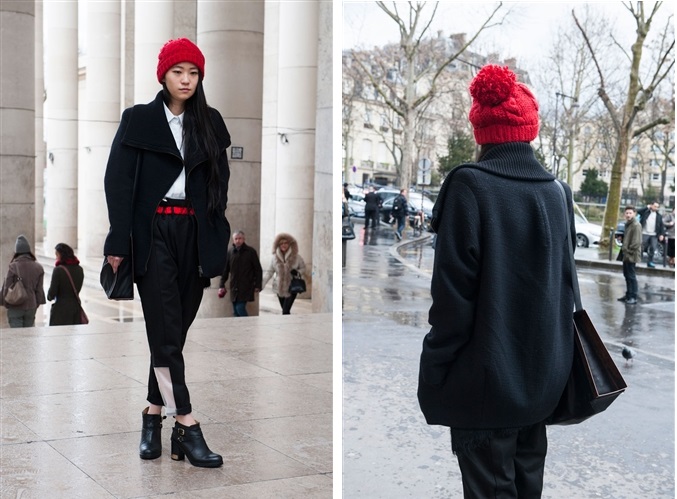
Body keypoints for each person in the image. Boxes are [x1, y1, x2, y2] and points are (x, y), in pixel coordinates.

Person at [417, 64, 575, 498]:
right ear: (530, 129)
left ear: (481, 130)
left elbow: (452, 301)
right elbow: (564, 290)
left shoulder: (470, 186)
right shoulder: (556, 191)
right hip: (542, 382)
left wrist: (434, 369)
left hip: (486, 383)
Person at [103, 38, 231, 468]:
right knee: (165, 328)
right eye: (178, 71)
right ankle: (188, 425)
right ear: (163, 75)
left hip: (194, 235)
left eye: (193, 73)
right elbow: (118, 183)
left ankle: (151, 415)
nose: (186, 80)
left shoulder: (209, 123)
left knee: (171, 335)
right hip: (153, 231)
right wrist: (118, 241)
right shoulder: (139, 119)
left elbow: (219, 187)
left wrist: (216, 233)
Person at [1, 235, 46, 328]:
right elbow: (39, 289)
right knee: (28, 336)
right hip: (31, 306)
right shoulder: (38, 267)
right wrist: (36, 303)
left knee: (17, 336)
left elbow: (7, 286)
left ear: (16, 251)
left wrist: (6, 303)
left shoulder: (13, 266)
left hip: (15, 306)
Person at [217, 230, 263, 317]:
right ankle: (238, 329)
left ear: (244, 239)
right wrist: (221, 284)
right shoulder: (230, 252)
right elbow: (225, 270)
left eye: (240, 238)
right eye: (236, 239)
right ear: (233, 240)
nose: (238, 240)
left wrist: (258, 285)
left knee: (240, 308)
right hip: (234, 285)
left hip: (246, 286)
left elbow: (258, 269)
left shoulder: (250, 252)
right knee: (235, 311)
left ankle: (248, 325)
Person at [261, 233, 306, 315]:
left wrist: (298, 272)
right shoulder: (274, 258)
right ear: (278, 245)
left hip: (291, 287)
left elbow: (303, 268)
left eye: (286, 243)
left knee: (285, 311)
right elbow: (269, 272)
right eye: (281, 243)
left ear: (290, 244)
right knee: (285, 311)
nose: (283, 245)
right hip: (279, 288)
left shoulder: (297, 257)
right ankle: (288, 325)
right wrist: (262, 284)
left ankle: (286, 326)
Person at [47, 243, 85, 325]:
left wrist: (49, 297)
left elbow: (52, 293)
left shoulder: (58, 270)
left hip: (61, 310)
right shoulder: (79, 269)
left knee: (59, 336)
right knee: (72, 336)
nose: (56, 257)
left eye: (57, 255)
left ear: (61, 255)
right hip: (75, 308)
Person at [617, 206, 642, 305]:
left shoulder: (636, 225)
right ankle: (628, 294)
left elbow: (636, 242)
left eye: (630, 213)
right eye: (627, 213)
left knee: (631, 276)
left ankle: (633, 296)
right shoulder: (628, 224)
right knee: (626, 275)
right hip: (626, 254)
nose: (628, 215)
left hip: (631, 254)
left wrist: (627, 250)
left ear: (634, 213)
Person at [637, 201, 665, 268]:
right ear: (651, 205)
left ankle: (650, 261)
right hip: (644, 233)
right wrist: (647, 207)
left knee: (653, 247)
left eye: (657, 207)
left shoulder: (659, 216)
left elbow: (661, 225)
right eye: (655, 206)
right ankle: (638, 259)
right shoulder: (645, 212)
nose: (656, 208)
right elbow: (638, 211)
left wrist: (661, 234)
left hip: (654, 234)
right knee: (641, 246)